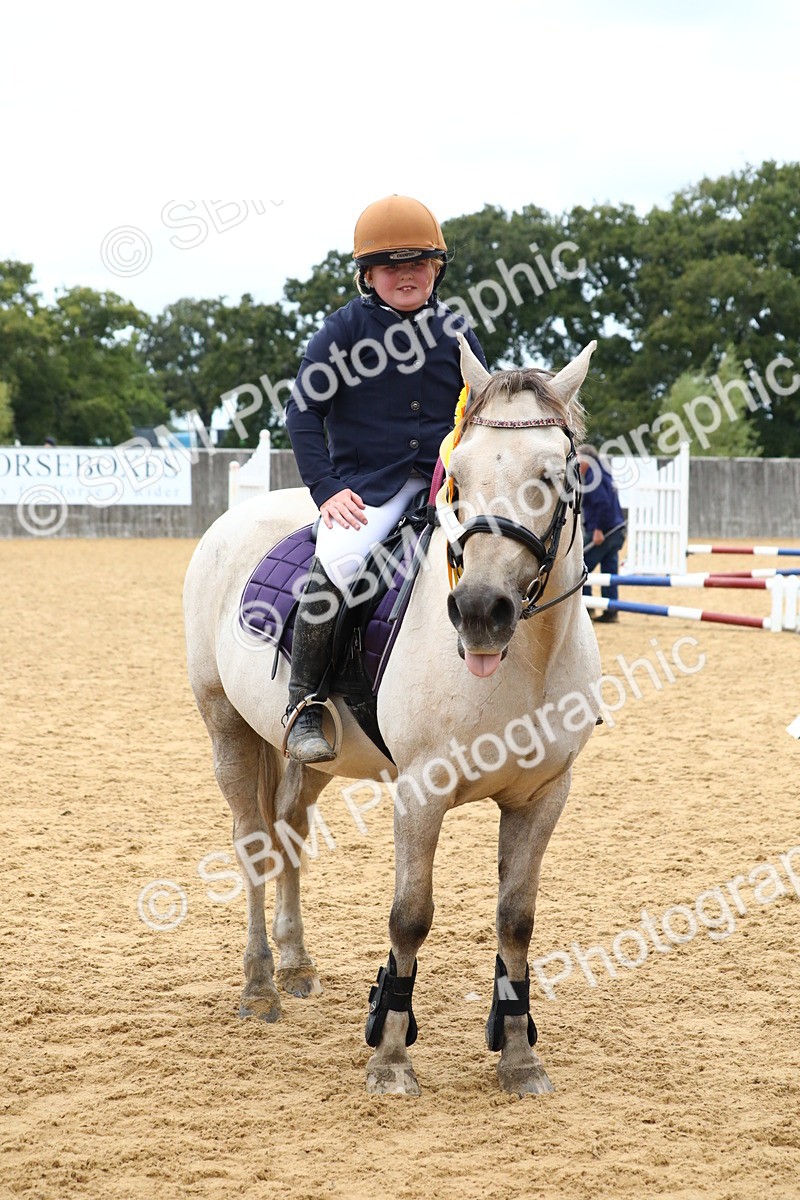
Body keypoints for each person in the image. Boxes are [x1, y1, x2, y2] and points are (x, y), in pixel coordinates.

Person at [283, 194, 487, 763]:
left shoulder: (457, 330)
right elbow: (302, 413)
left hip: (445, 485)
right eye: (391, 266)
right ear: (368, 275)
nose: (407, 275)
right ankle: (305, 704)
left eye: (418, 262)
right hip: (368, 489)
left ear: (436, 269)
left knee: (509, 550)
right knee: (340, 563)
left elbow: (482, 406)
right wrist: (327, 490)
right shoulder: (342, 330)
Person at [578, 444, 626, 623]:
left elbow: (602, 503)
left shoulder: (594, 477)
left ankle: (587, 608)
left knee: (581, 566)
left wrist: (597, 530)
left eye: (578, 460)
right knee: (609, 573)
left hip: (603, 532)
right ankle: (611, 611)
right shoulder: (602, 472)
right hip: (615, 530)